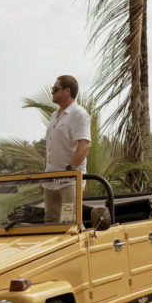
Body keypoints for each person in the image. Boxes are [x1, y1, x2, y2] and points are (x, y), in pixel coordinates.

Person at [43, 75, 91, 222]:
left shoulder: (78, 113)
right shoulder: (54, 116)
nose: (52, 92)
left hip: (69, 183)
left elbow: (85, 143)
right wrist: (43, 174)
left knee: (68, 221)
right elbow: (50, 147)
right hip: (50, 181)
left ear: (67, 91)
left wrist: (70, 170)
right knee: (50, 222)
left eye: (55, 89)